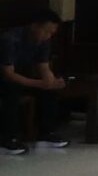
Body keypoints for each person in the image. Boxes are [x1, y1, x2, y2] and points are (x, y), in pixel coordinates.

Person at [0, 11, 70, 153]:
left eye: (51, 33)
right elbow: (8, 74)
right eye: (46, 31)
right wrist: (39, 83)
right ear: (34, 26)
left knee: (49, 91)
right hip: (5, 80)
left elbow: (43, 66)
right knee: (11, 91)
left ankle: (46, 134)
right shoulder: (10, 39)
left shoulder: (43, 41)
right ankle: (7, 139)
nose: (48, 36)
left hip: (21, 78)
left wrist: (51, 81)